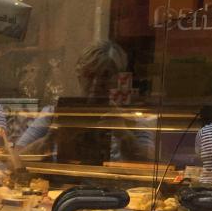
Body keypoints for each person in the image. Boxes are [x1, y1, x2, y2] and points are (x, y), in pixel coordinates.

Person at [16, 41, 154, 162]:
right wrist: (51, 139)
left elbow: (151, 167)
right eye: (90, 75)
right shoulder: (54, 113)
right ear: (79, 77)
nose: (96, 83)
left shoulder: (133, 119)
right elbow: (15, 160)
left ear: (118, 79)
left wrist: (123, 133)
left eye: (105, 75)